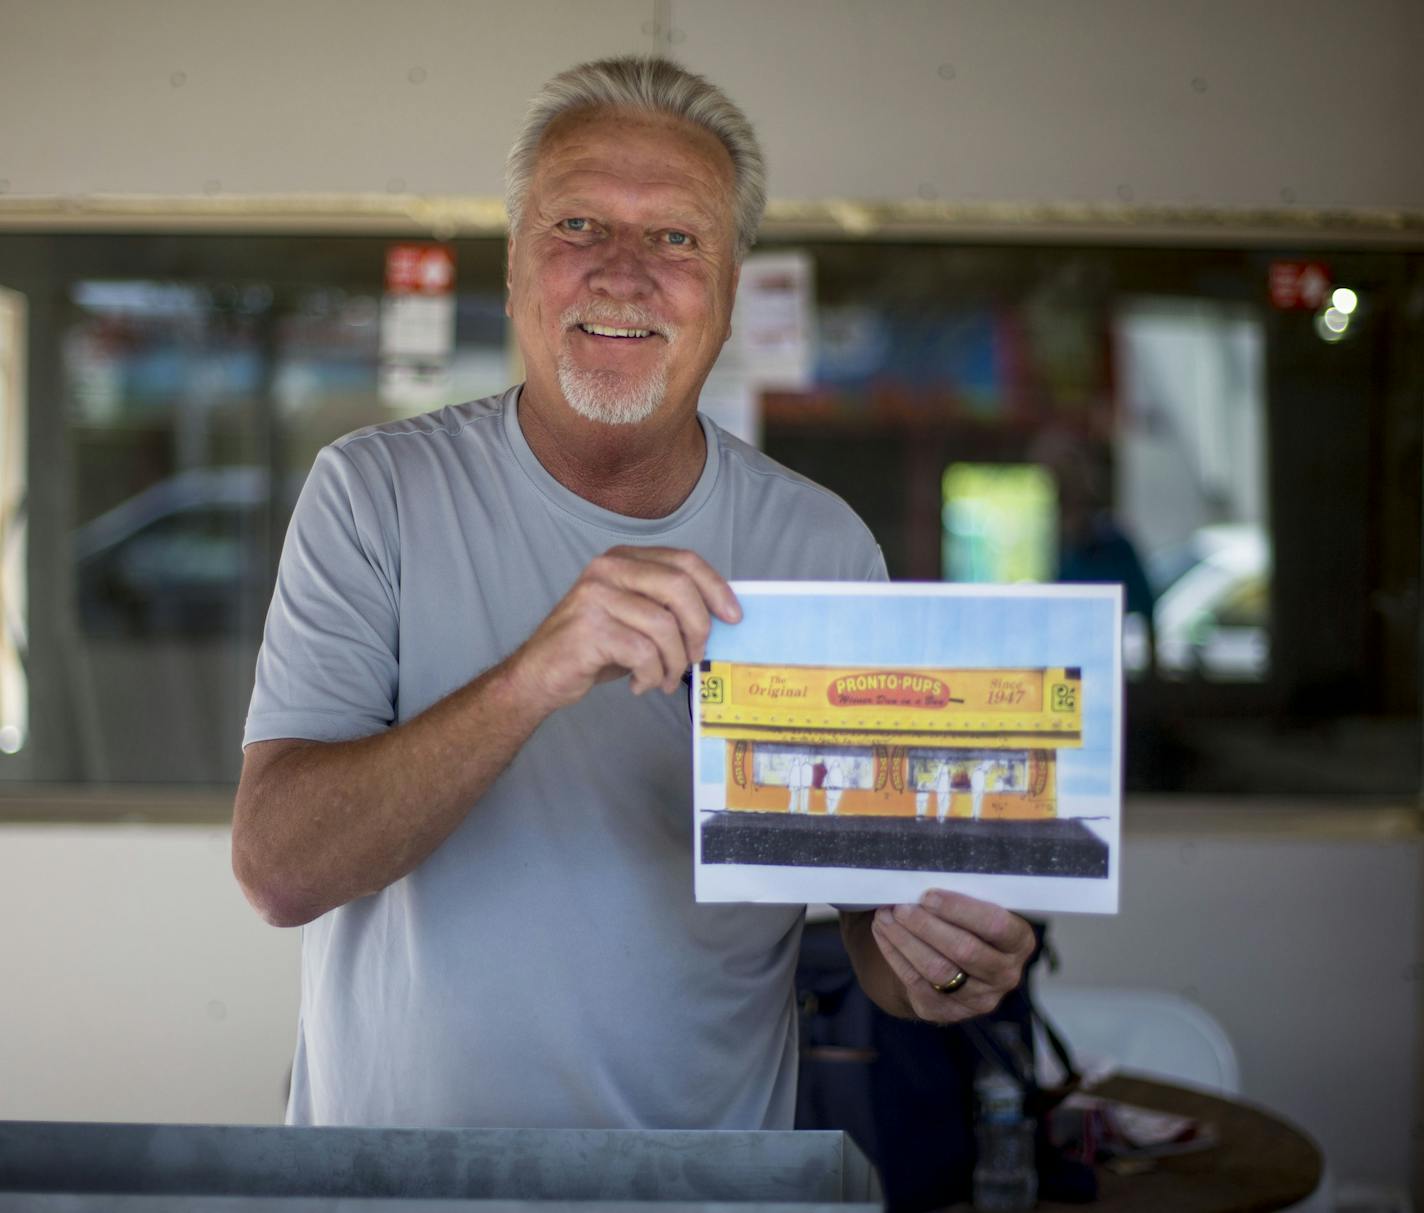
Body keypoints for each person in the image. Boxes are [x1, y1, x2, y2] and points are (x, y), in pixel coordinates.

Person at [232, 56, 1034, 1132]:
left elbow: (874, 937)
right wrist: (532, 678)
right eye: (575, 227)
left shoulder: (814, 543)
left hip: (706, 1188)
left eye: (674, 237)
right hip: (398, 1184)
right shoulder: (372, 494)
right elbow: (280, 871)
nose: (620, 274)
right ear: (514, 267)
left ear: (729, 289)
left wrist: (941, 964)